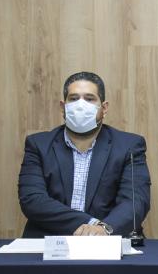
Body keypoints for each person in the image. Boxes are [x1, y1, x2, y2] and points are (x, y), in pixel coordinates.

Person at [18, 71, 150, 238]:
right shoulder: (38, 145)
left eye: (89, 98)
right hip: (50, 240)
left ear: (104, 108)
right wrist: (93, 224)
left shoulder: (129, 146)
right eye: (73, 99)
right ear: (63, 107)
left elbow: (135, 201)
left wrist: (105, 229)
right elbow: (33, 200)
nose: (80, 105)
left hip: (109, 241)